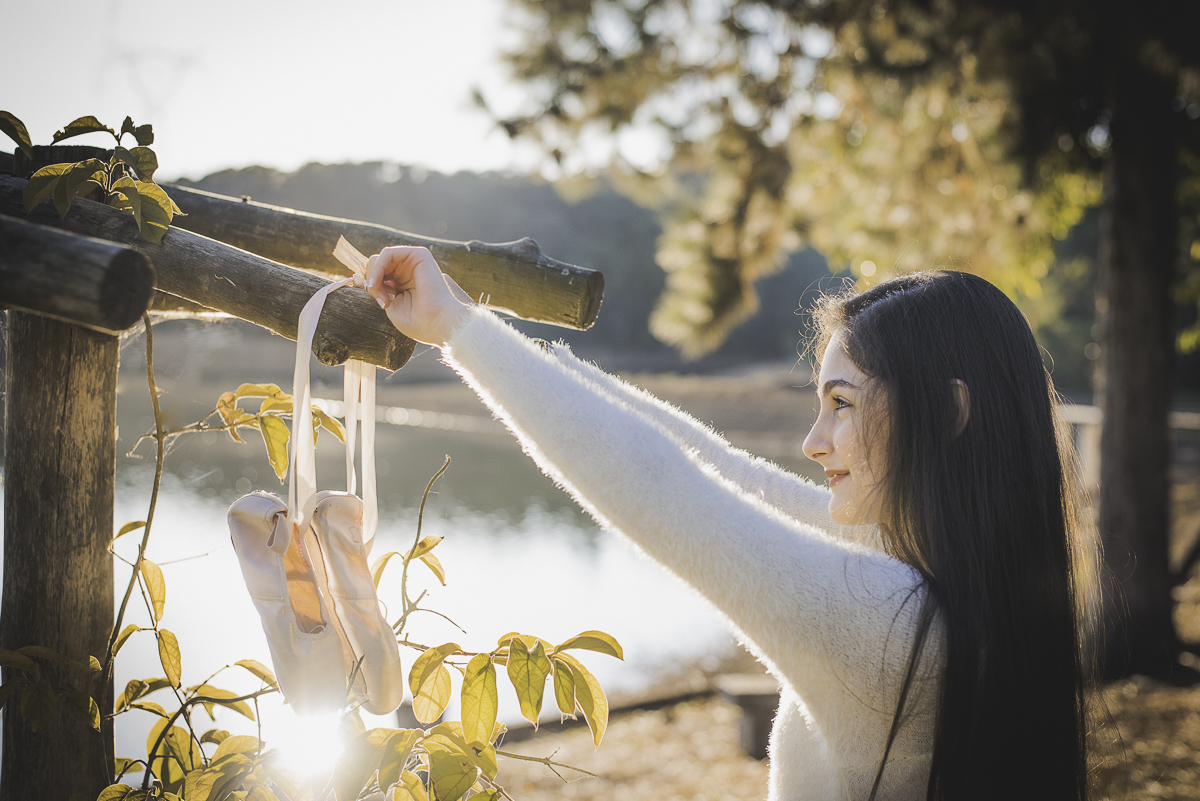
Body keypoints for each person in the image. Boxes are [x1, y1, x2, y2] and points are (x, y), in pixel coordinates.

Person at [364, 248, 1099, 801]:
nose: (815, 441)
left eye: (841, 404)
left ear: (947, 412)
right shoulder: (953, 585)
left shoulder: (890, 620)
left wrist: (457, 330)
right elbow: (718, 469)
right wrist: (478, 322)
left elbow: (665, 487)